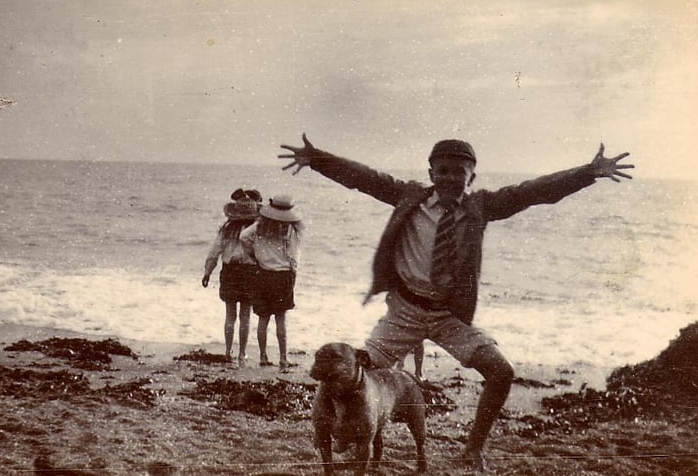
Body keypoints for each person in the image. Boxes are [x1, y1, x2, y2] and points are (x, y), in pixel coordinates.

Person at [279, 133, 633, 471]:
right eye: (442, 171)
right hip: (404, 312)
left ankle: (473, 448)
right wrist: (317, 160)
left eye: (458, 172)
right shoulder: (408, 196)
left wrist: (588, 173)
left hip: (450, 316)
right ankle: (342, 431)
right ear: (430, 173)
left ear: (472, 176)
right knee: (355, 368)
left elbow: (534, 192)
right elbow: (364, 178)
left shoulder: (483, 206)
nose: (449, 178)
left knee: (501, 372)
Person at [240, 195, 303, 370]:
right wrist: (293, 275)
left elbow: (243, 237)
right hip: (282, 276)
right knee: (281, 318)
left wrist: (253, 255)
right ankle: (283, 358)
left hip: (262, 273)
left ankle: (263, 356)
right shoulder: (290, 230)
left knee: (263, 318)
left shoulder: (259, 226)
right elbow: (293, 257)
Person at [202, 188, 263, 367]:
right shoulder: (256, 230)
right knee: (245, 316)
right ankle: (242, 353)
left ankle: (228, 351)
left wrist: (207, 272)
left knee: (230, 315)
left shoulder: (226, 229)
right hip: (251, 273)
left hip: (230, 272)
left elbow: (214, 253)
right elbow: (262, 254)